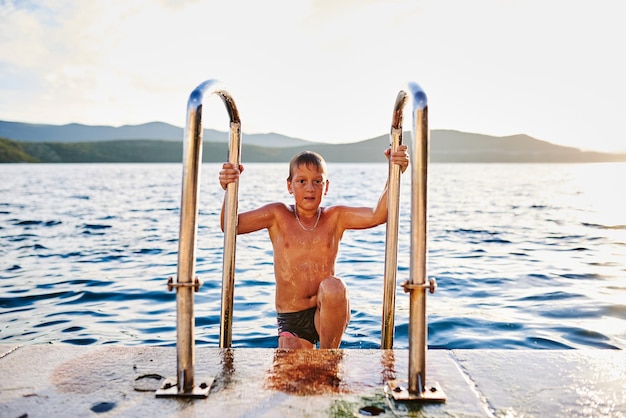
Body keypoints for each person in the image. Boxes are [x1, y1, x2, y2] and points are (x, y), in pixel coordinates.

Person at [219, 145, 409, 349]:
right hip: (292, 317)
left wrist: (394, 172)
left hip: (327, 310)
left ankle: (329, 356)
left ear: (326, 187)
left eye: (317, 181)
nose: (310, 188)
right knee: (292, 370)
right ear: (290, 186)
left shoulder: (335, 217)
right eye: (301, 181)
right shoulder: (278, 215)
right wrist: (230, 187)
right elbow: (230, 226)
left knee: (334, 286)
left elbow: (378, 215)